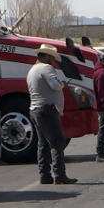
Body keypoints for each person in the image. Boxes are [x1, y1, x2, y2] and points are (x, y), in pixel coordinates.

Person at [27, 44, 77, 185]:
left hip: (35, 110)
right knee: (57, 142)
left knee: (43, 144)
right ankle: (59, 174)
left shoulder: (33, 69)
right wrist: (62, 85)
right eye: (52, 57)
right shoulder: (46, 68)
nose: (53, 61)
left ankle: (44, 175)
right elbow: (55, 85)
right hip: (47, 110)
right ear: (47, 56)